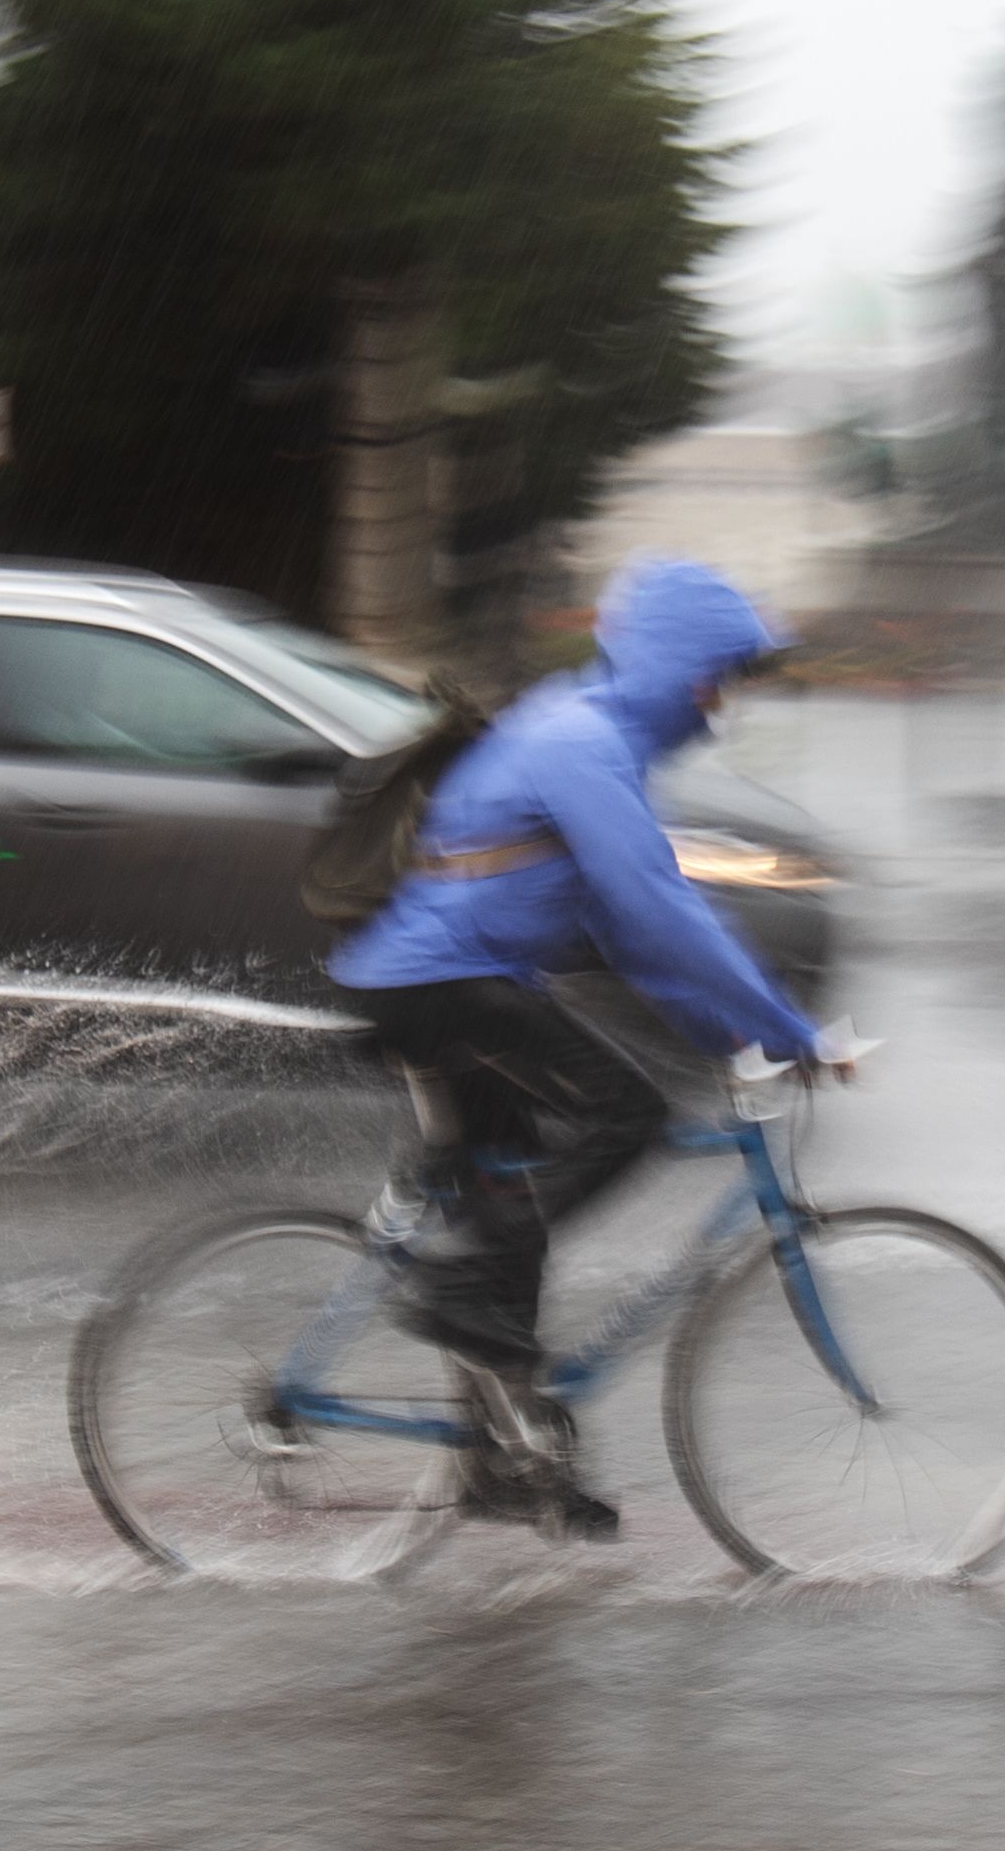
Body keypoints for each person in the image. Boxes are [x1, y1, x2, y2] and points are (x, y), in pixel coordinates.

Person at [327, 555, 851, 1541]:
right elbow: (658, 904)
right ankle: (459, 1290)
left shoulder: (586, 731)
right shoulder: (582, 741)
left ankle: (501, 1458)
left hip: (448, 979)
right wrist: (791, 1028)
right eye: (716, 676)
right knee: (628, 1111)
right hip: (436, 984)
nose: (723, 700)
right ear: (676, 667)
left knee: (510, 1196)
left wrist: (732, 1032)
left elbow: (629, 934)